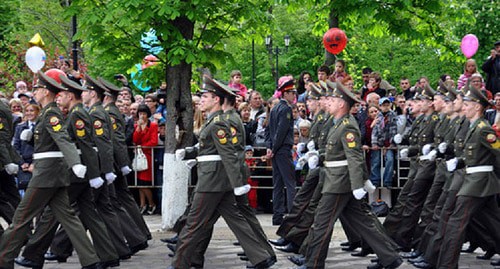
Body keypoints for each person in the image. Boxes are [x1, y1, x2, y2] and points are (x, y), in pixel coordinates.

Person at [15, 74, 120, 269]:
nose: (59, 98)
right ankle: (106, 255)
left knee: (51, 214)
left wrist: (96, 172)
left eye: (62, 95)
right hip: (80, 169)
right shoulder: (75, 113)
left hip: (75, 170)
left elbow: (84, 145)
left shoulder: (77, 114)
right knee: (87, 214)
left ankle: (34, 254)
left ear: (70, 96)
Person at [169, 76, 274, 269]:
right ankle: (261, 257)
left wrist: (238, 183)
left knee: (193, 223)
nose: (201, 100)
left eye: (205, 97)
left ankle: (179, 264)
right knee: (236, 219)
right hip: (217, 179)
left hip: (212, 181)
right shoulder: (215, 120)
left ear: (216, 99)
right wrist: (191, 154)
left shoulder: (219, 123)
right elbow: (210, 149)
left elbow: (228, 154)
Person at [296, 82, 402, 269]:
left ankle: (313, 263)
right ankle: (390, 257)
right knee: (363, 221)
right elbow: (335, 153)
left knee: (322, 221)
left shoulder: (347, 127)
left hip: (340, 181)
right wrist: (316, 156)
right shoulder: (338, 124)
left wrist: (357, 185)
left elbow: (354, 157)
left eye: (333, 100)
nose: (328, 103)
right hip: (337, 178)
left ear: (341, 104)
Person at [435, 84, 500, 269]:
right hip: (478, 181)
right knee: (494, 222)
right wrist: (460, 161)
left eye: (468, 104)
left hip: (478, 182)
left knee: (456, 222)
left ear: (477, 106)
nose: (463, 107)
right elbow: (475, 155)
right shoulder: (475, 127)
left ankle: (446, 265)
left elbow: (498, 153)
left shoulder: (484, 130)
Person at [266, 77, 297, 226]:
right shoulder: (285, 109)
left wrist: (270, 147)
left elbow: (268, 130)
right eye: (292, 92)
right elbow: (281, 131)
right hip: (282, 149)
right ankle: (292, 214)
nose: (294, 95)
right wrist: (273, 148)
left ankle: (277, 215)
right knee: (290, 183)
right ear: (285, 93)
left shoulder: (274, 108)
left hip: (276, 150)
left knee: (277, 184)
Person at [133, 104, 159, 215]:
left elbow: (154, 141)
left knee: (145, 183)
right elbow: (135, 140)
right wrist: (139, 129)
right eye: (140, 114)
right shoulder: (136, 125)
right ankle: (142, 204)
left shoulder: (152, 125)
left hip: (148, 155)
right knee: (139, 183)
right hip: (139, 155)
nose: (142, 116)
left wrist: (142, 146)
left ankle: (151, 203)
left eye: (144, 114)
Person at [12, 104, 40, 195]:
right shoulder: (20, 127)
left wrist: (34, 163)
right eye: (27, 111)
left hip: (37, 162)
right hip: (24, 164)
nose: (29, 113)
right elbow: (16, 147)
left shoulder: (41, 126)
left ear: (37, 112)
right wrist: (22, 163)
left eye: (32, 111)